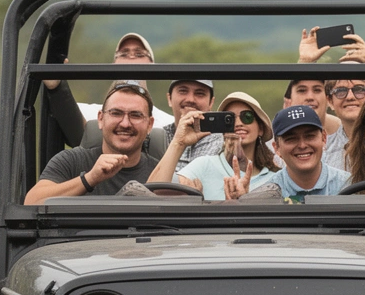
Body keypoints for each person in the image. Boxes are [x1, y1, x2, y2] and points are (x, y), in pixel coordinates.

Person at [24, 83, 160, 204]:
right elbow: (31, 202)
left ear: (149, 124)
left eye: (135, 115)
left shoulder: (161, 173)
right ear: (100, 119)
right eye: (116, 113)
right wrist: (90, 179)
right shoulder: (71, 161)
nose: (125, 123)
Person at [149, 92, 281, 200]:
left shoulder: (276, 178)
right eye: (230, 119)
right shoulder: (204, 165)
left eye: (247, 117)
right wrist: (179, 142)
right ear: (222, 128)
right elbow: (152, 194)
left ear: (261, 129)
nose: (239, 123)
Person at [40, 33, 155, 148]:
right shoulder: (90, 113)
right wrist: (58, 86)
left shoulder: (167, 120)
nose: (131, 57)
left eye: (139, 54)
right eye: (124, 54)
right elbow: (69, 117)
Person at [233, 105, 350, 203]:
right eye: (291, 139)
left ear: (324, 138)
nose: (302, 145)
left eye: (310, 136)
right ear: (276, 148)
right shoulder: (264, 196)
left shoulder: (349, 185)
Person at [160, 79, 224, 172]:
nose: (190, 99)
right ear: (169, 99)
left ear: (211, 103)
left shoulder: (220, 142)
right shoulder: (156, 138)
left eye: (200, 93)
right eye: (183, 91)